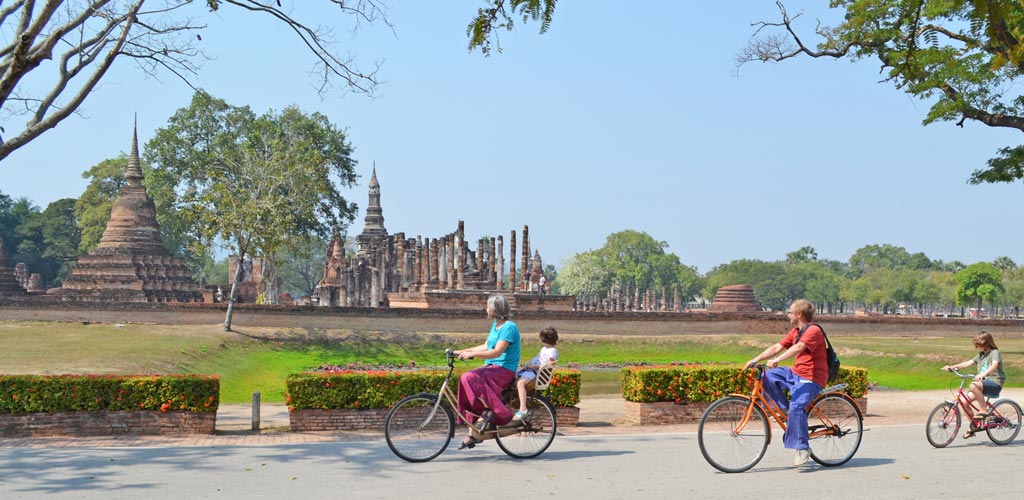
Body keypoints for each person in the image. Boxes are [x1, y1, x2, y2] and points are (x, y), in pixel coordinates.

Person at [745, 299, 827, 467]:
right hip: (796, 373)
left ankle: (803, 448)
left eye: (790, 312)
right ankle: (784, 409)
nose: (787, 315)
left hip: (812, 378)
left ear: (799, 314)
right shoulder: (796, 331)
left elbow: (798, 348)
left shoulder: (814, 331)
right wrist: (755, 359)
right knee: (768, 376)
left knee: (797, 406)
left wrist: (777, 360)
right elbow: (777, 347)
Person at [453, 294, 521, 450]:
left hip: (503, 369)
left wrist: (473, 355)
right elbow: (486, 346)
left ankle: (494, 411)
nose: (486, 309)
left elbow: (497, 352)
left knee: (469, 377)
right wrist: (462, 351)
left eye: (488, 306)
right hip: (491, 367)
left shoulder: (509, 327)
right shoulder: (495, 325)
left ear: (496, 309)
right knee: (465, 380)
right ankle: (472, 434)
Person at [942, 331, 1005, 438]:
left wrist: (983, 374)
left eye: (979, 343)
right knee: (963, 402)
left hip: (995, 383)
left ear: (986, 342)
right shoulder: (980, 355)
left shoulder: (994, 353)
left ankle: (983, 410)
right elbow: (967, 363)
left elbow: (994, 365)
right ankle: (975, 426)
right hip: (982, 384)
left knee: (973, 385)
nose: (977, 345)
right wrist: (952, 367)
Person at [513, 327, 559, 421]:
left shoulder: (552, 351)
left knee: (520, 383)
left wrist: (534, 367)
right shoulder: (544, 349)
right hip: (530, 369)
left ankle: (523, 408)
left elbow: (549, 366)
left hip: (534, 372)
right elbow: (537, 358)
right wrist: (528, 363)